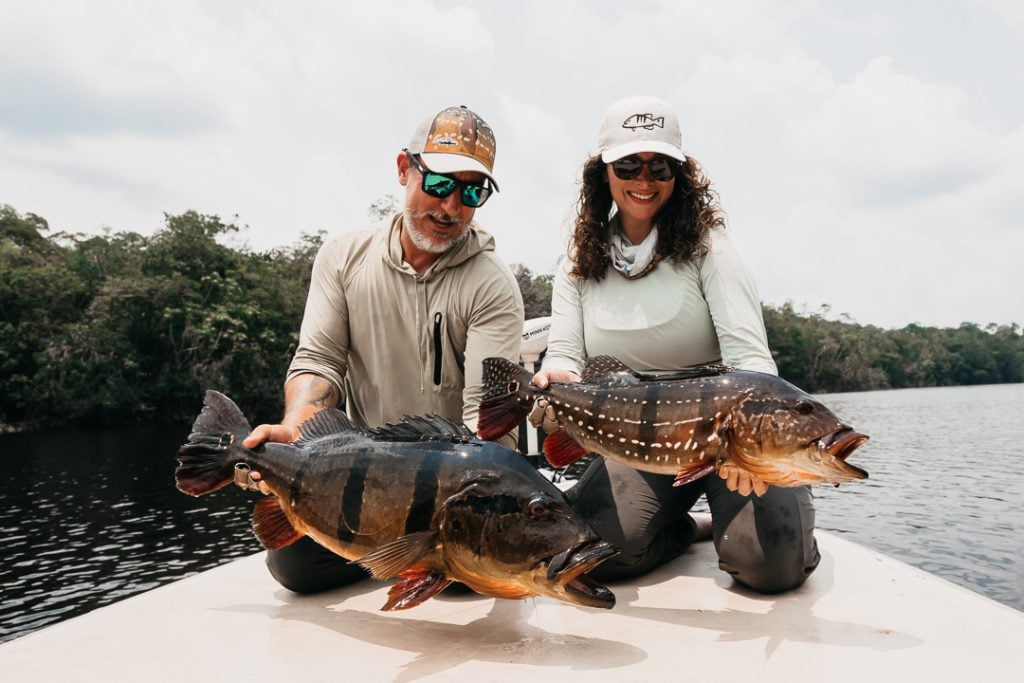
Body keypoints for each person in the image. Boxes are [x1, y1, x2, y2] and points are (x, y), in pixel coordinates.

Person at [531, 95, 819, 593]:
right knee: (588, 556)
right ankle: (684, 529)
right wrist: (556, 377)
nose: (644, 180)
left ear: (678, 175)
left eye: (659, 166)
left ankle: (765, 529)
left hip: (726, 432)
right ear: (603, 173)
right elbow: (565, 354)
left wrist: (754, 453)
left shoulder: (711, 246)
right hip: (635, 437)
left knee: (770, 569)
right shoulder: (577, 260)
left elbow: (750, 360)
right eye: (629, 165)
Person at [243, 105, 525, 593]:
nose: (451, 207)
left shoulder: (493, 285)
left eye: (472, 191)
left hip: (452, 492)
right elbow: (320, 361)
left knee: (469, 578)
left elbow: (489, 422)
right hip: (354, 479)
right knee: (294, 569)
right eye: (439, 184)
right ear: (403, 168)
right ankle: (392, 556)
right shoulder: (342, 257)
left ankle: (409, 557)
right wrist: (294, 432)